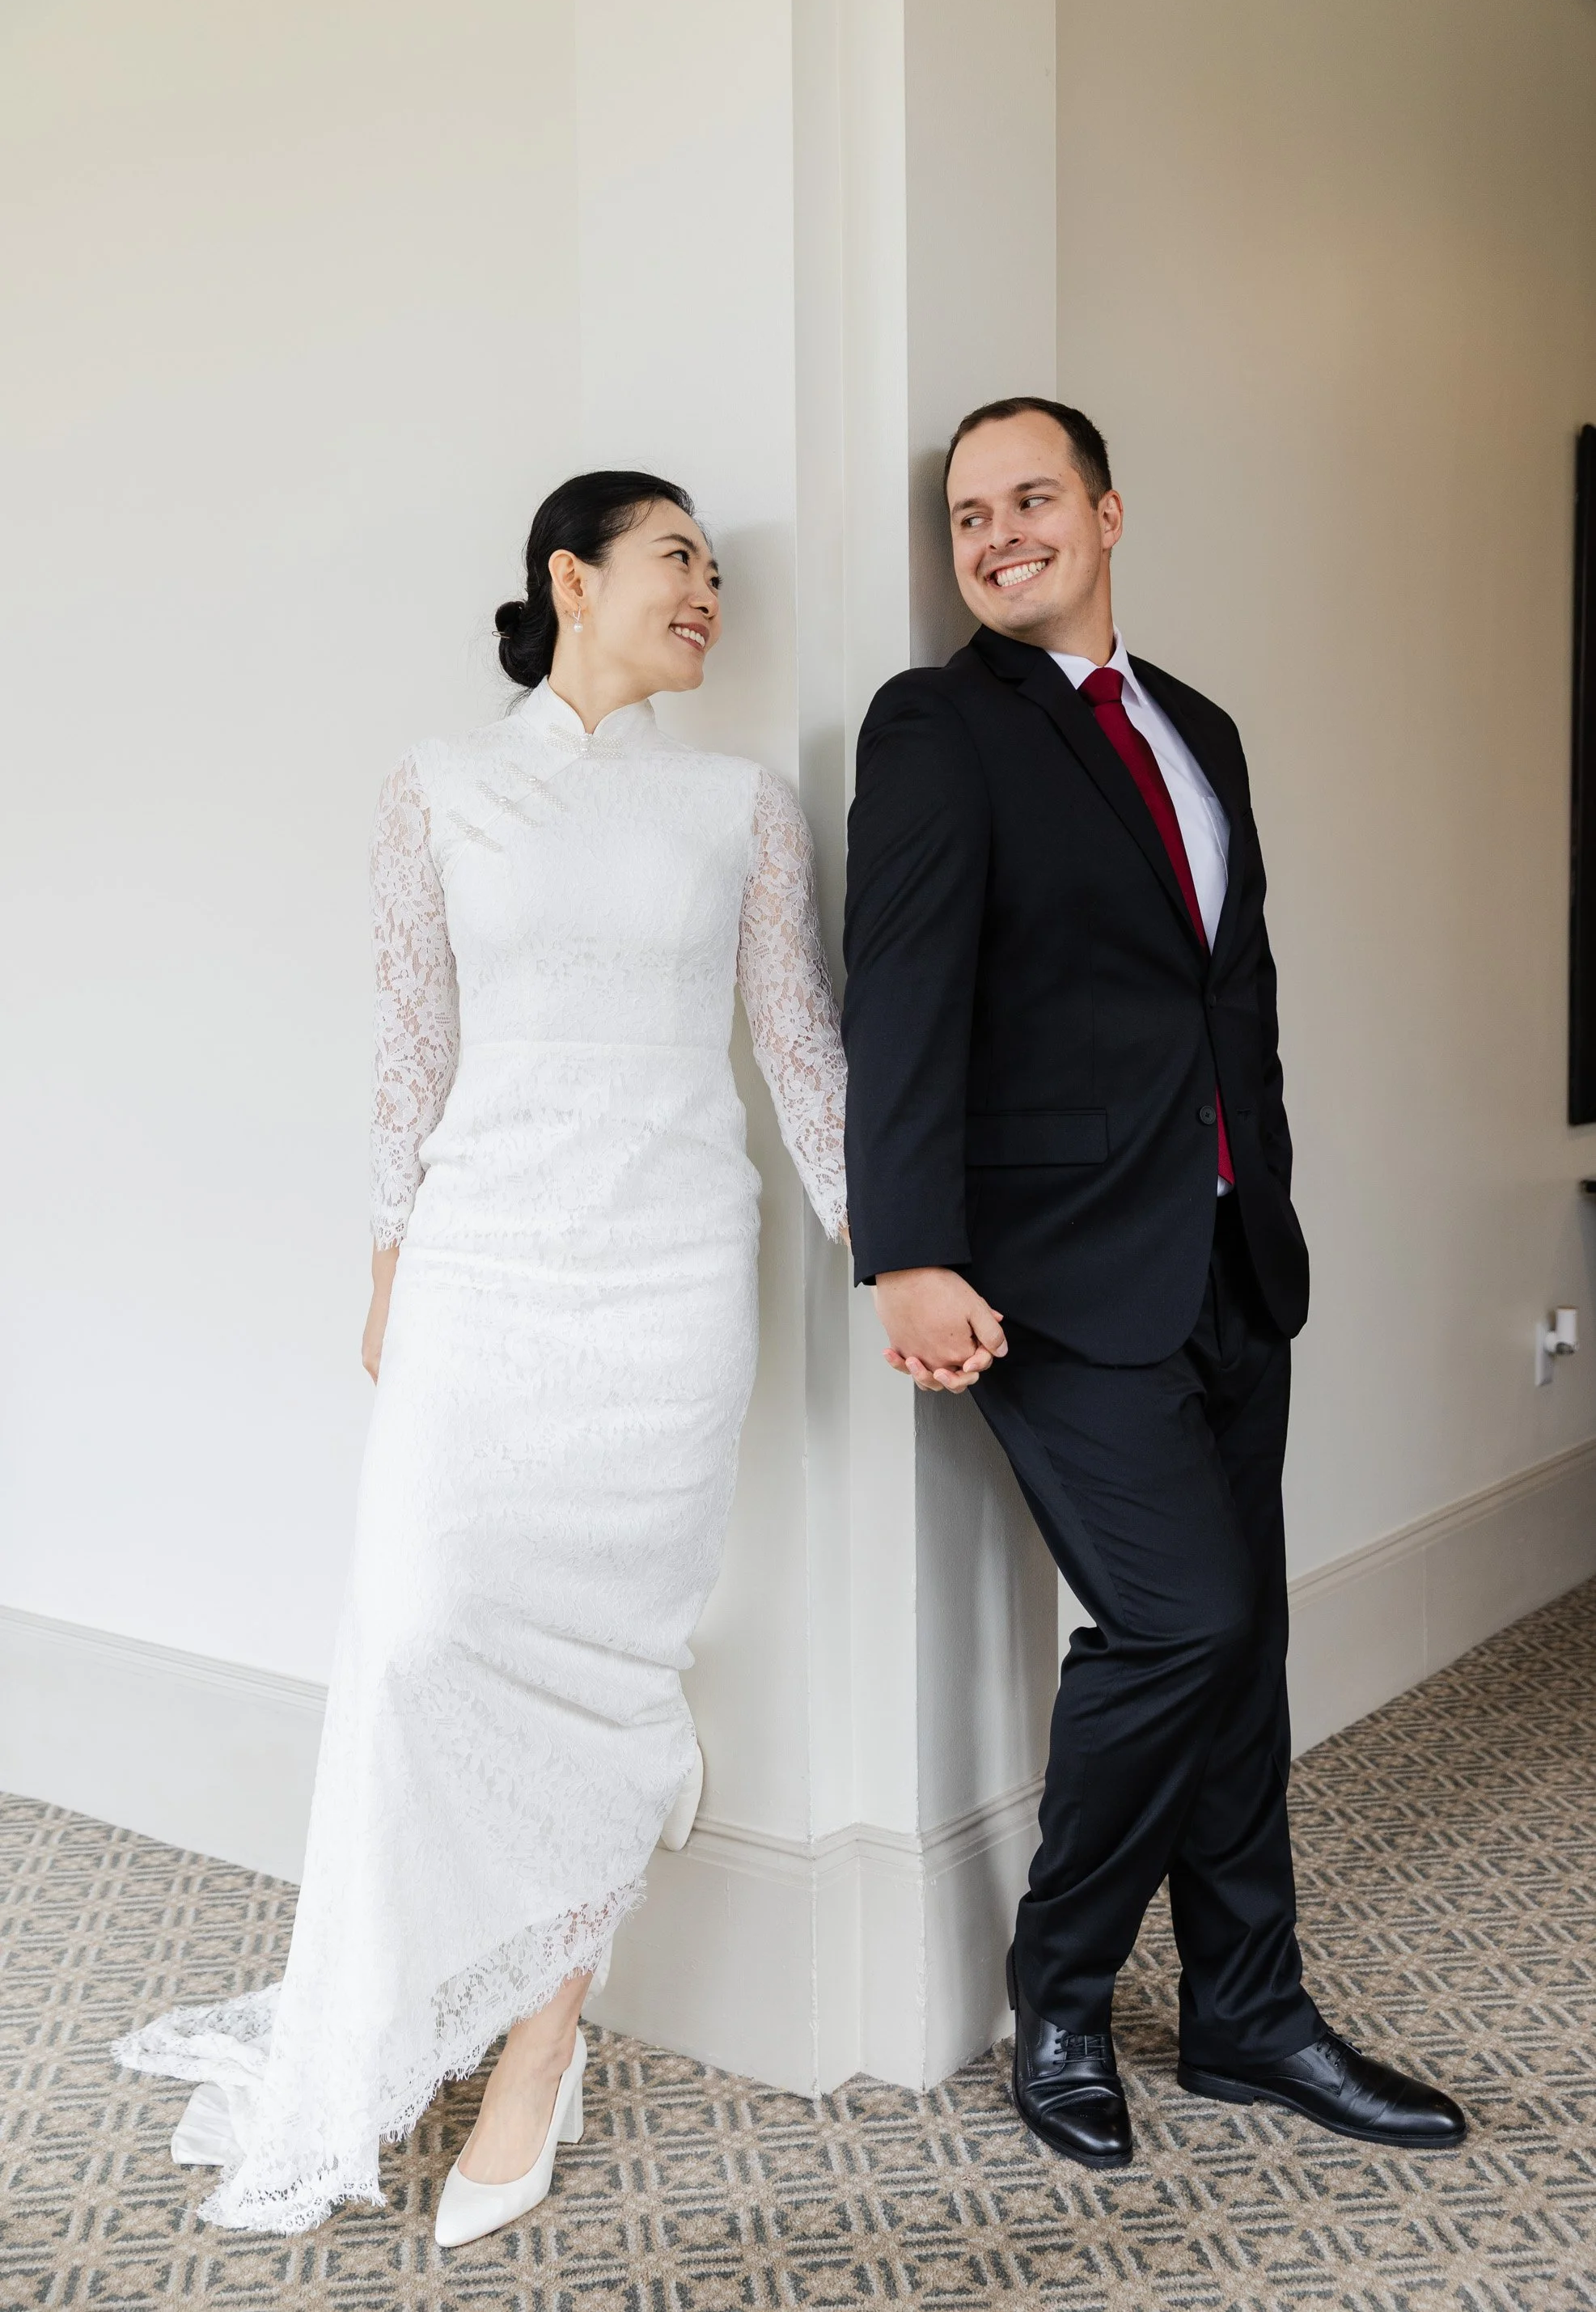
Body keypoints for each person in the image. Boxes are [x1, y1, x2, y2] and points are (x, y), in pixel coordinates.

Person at [114, 472, 848, 2241]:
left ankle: (544, 2034)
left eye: (717, 574)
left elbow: (799, 1051)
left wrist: (890, 1256)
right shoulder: (435, 790)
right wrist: (389, 1255)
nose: (706, 595)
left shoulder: (736, 807)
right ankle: (466, 1943)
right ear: (568, 577)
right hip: (483, 1264)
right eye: (677, 560)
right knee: (425, 1633)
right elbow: (407, 1047)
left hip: (670, 1276)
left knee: (611, 1646)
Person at [840, 397, 1465, 2167]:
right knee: (1174, 1623)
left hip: (1219, 1254)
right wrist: (904, 1249)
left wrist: (1254, 1182)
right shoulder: (936, 726)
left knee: (1237, 1646)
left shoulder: (1194, 729)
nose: (995, 535)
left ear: (1107, 513)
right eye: (966, 516)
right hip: (1044, 1273)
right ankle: (1059, 1989)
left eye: (1029, 498)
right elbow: (892, 994)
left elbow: (1229, 994)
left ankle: (1248, 2016)